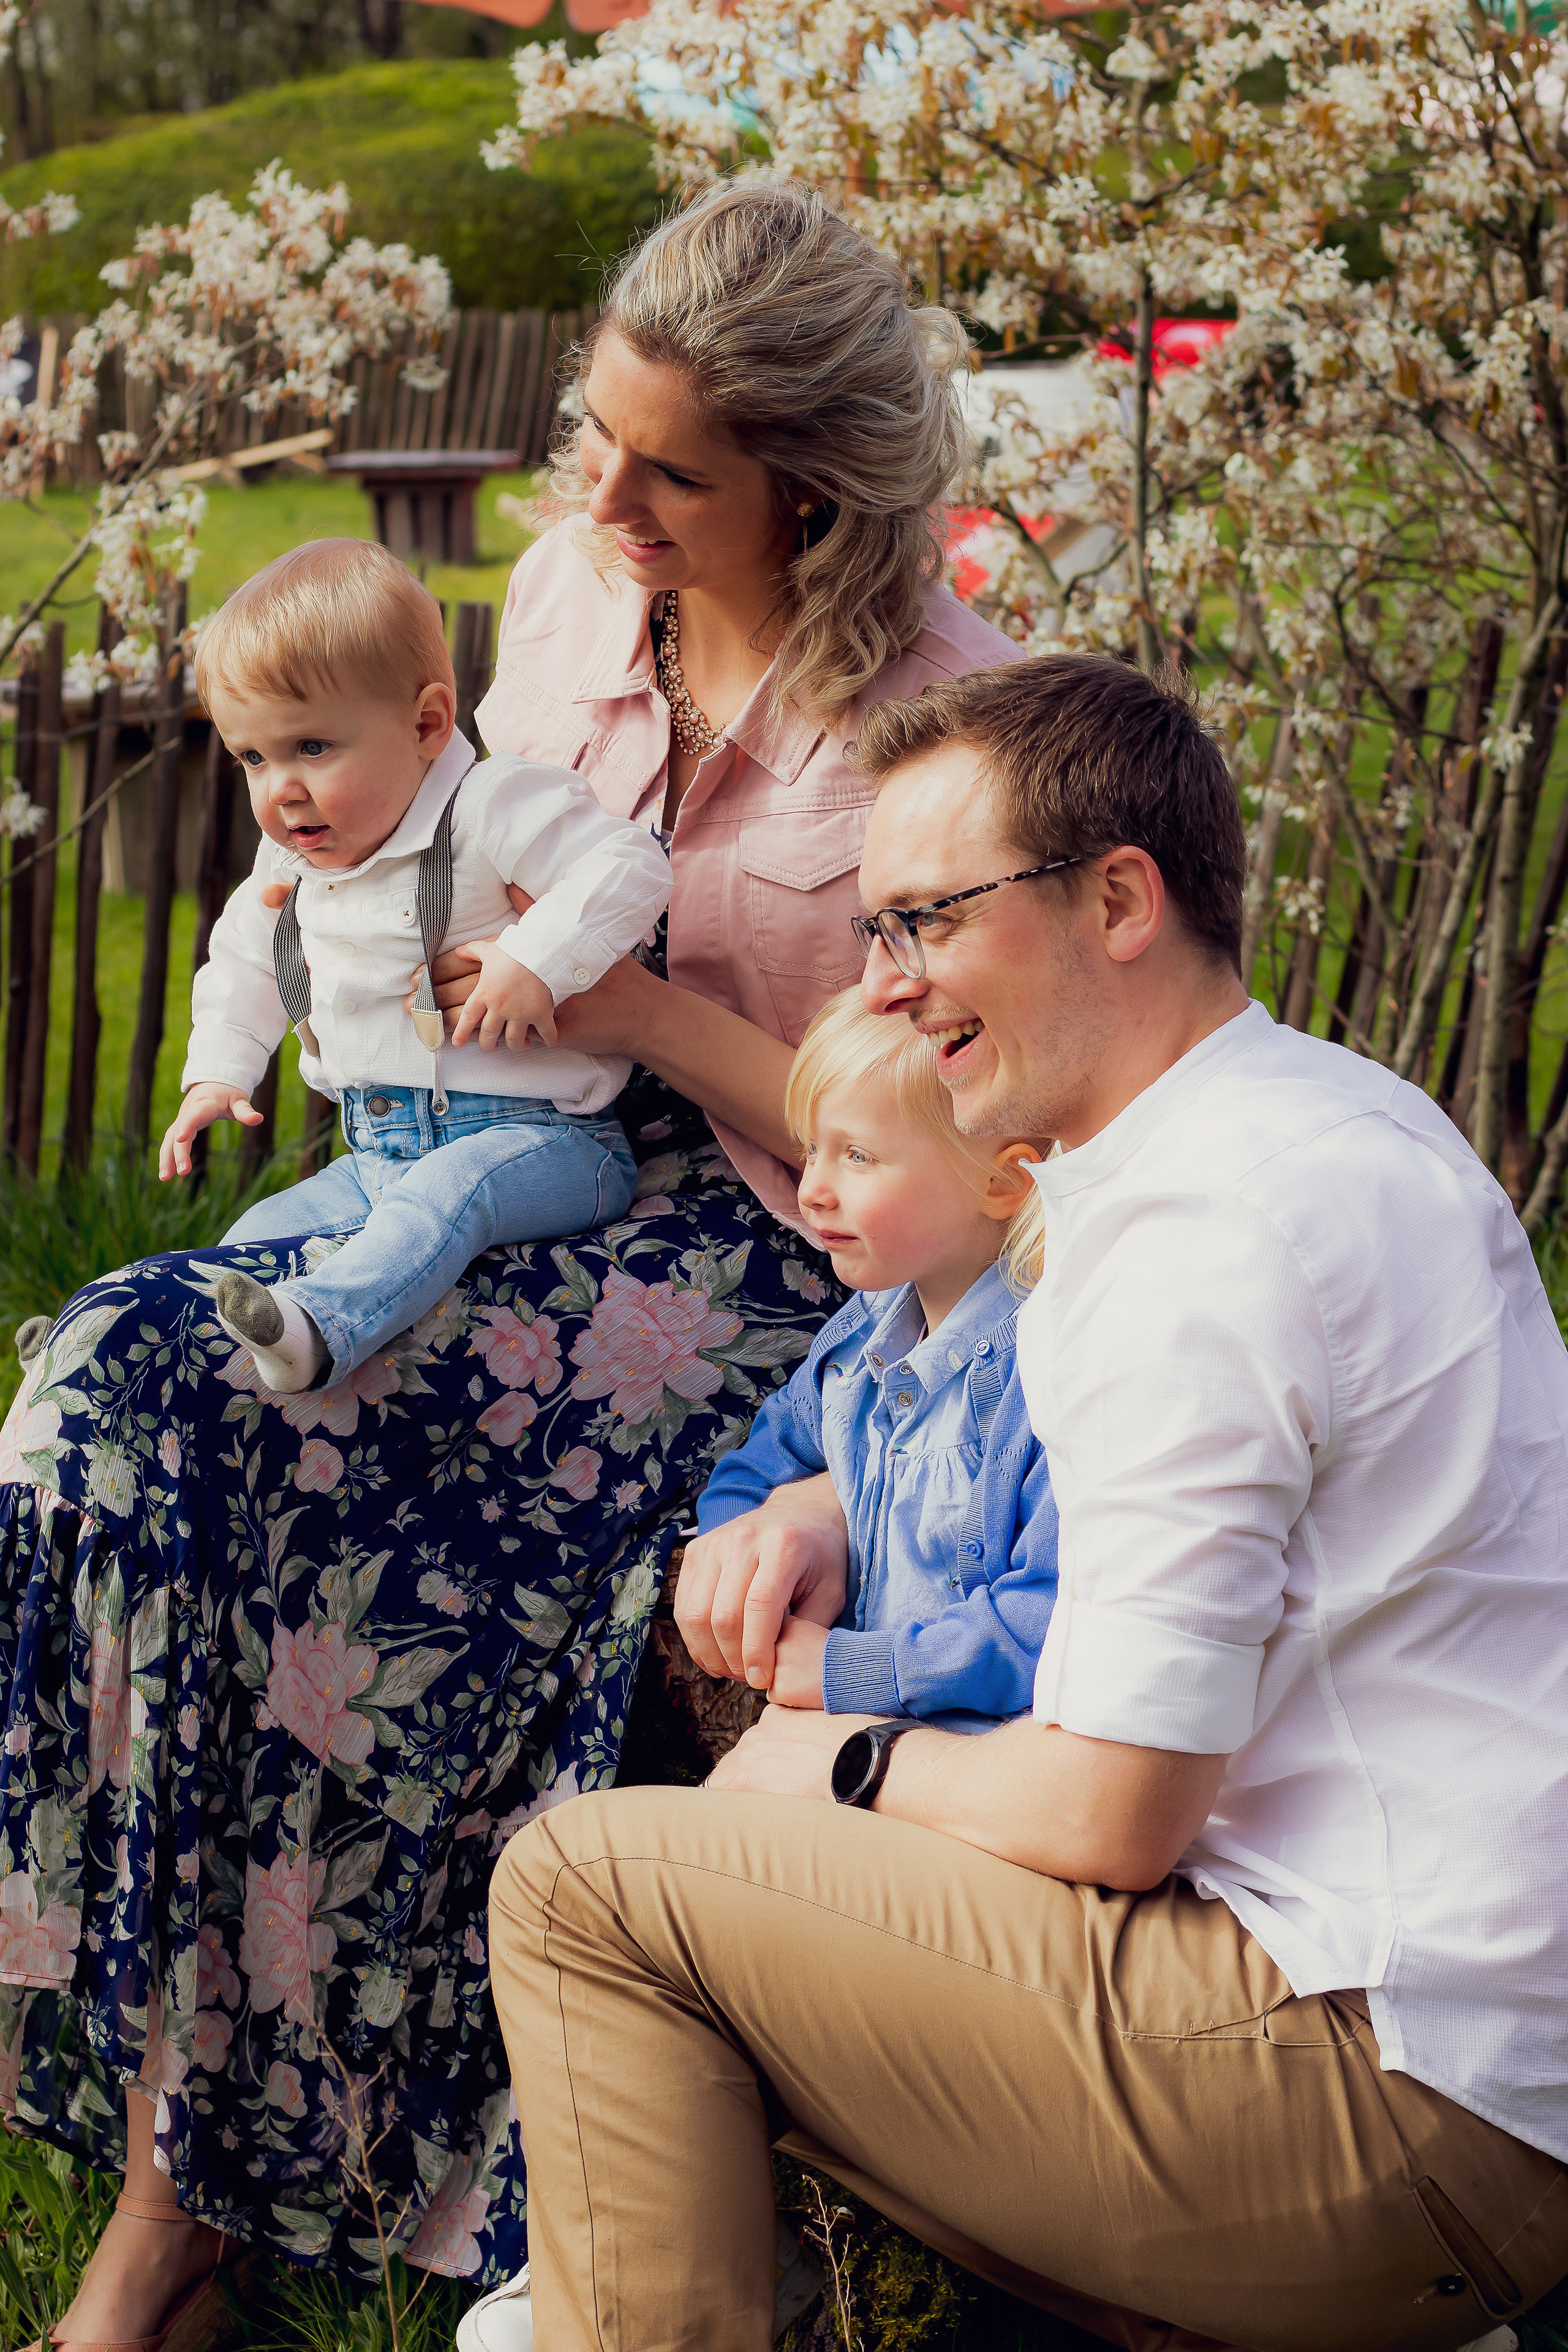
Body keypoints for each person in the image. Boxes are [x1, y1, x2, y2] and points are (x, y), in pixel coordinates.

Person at [0, 174, 1016, 2350]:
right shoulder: (561, 595)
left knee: (368, 1515)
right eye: (598, 436)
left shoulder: (943, 725)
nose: (604, 498)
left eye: (672, 473)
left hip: (766, 1243)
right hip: (496, 1147)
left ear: (816, 493)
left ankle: (203, 2225)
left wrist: (639, 1016)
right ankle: (200, 2117)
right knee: (121, 1377)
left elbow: (939, 1131)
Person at [487, 652, 1568, 2352]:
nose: (892, 984)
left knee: (588, 1889)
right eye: (876, 934)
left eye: (928, 920)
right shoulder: (1317, 1124)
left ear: (1120, 899)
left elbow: (1116, 1813)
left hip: (1381, 2092)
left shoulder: (1198, 1245)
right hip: (1468, 2053)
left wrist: (843, 1756)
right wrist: (835, 1502)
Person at [160, 538, 669, 1393]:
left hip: (546, 1142)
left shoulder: (493, 807)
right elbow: (243, 959)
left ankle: (321, 1333)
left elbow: (631, 867)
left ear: (428, 724)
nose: (280, 788)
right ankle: (135, 1344)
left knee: (449, 1197)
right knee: (254, 1233)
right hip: (378, 1151)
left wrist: (534, 958)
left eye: (311, 748)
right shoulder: (292, 864)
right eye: (253, 758)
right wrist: (217, 1071)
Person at [692, 987, 1056, 1726]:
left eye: (857, 1155)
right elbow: (756, 1467)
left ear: (1002, 1182)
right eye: (811, 1150)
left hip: (966, 1766)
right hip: (841, 1736)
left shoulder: (1038, 1374)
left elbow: (1043, 1613)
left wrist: (844, 1668)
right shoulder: (861, 1337)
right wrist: (745, 1561)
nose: (813, 1191)